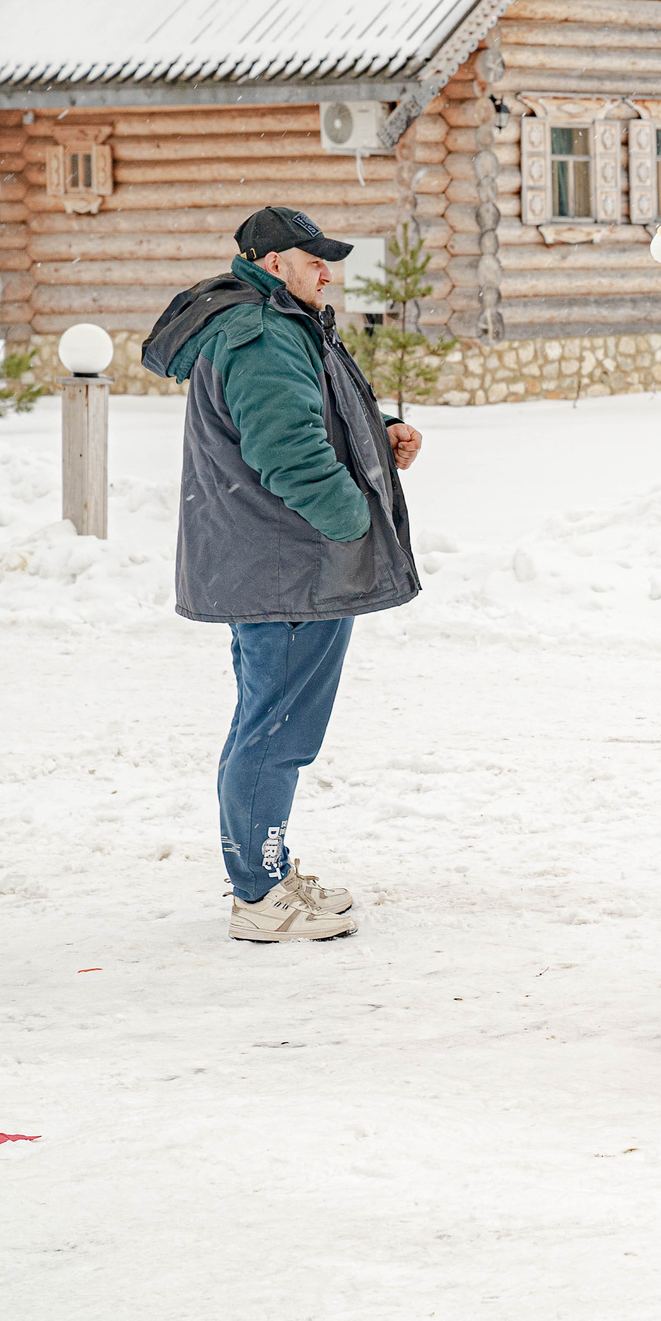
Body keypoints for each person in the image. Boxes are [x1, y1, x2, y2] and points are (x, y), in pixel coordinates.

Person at [140, 206, 423, 942]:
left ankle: (263, 871)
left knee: (268, 721)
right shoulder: (263, 332)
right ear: (273, 263)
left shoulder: (269, 321)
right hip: (289, 568)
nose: (327, 270)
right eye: (313, 258)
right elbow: (288, 453)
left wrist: (373, 441)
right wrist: (354, 519)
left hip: (275, 562)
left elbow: (298, 422)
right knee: (279, 731)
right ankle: (259, 895)